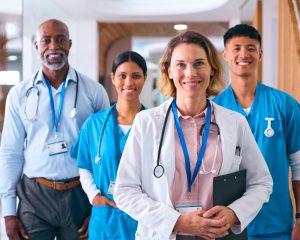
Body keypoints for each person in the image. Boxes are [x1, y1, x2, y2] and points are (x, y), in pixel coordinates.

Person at [114, 30, 273, 240]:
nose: (190, 73)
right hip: (164, 234)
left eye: (199, 63)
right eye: (181, 65)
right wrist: (177, 222)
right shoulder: (147, 122)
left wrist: (235, 213)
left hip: (216, 234)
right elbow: (125, 191)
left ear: (212, 69)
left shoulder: (235, 123)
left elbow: (261, 182)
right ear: (169, 71)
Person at [0, 19, 109, 240]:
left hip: (80, 194)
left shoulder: (94, 92)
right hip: (34, 196)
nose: (53, 46)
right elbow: (10, 153)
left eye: (60, 40)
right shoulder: (20, 94)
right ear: (36, 46)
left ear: (69, 44)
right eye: (46, 41)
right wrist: (8, 211)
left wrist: (99, 205)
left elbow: (105, 153)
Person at [213, 24, 300, 240]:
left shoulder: (285, 104)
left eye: (251, 48)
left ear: (260, 54)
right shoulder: (213, 109)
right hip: (226, 225)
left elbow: (298, 165)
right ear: (225, 54)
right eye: (237, 48)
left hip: (275, 223)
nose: (244, 54)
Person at [71, 51, 147, 239]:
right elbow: (84, 165)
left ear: (145, 78)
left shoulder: (154, 123)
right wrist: (93, 195)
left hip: (143, 216)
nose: (129, 83)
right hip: (105, 218)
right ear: (113, 78)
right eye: (122, 76)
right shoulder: (94, 124)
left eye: (136, 76)